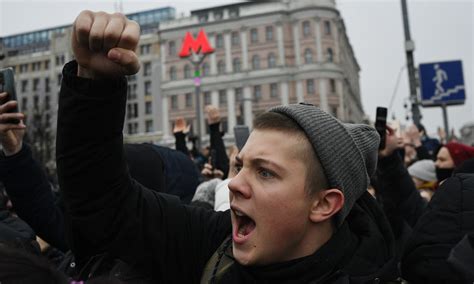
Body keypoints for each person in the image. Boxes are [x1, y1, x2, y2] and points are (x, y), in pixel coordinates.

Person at [55, 11, 397, 282]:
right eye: (241, 165)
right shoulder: (215, 243)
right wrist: (96, 85)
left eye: (265, 172)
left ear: (324, 204)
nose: (233, 182)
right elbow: (104, 203)